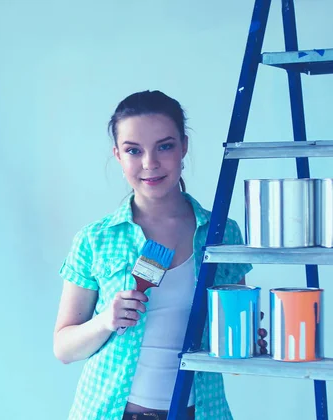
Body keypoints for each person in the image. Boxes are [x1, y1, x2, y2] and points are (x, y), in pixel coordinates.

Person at [53, 90, 252, 420]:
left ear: (183, 146)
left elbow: (230, 352)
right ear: (117, 155)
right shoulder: (95, 240)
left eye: (165, 146)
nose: (150, 163)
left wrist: (246, 337)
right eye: (134, 150)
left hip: (200, 412)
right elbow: (63, 348)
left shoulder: (222, 234)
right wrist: (106, 321)